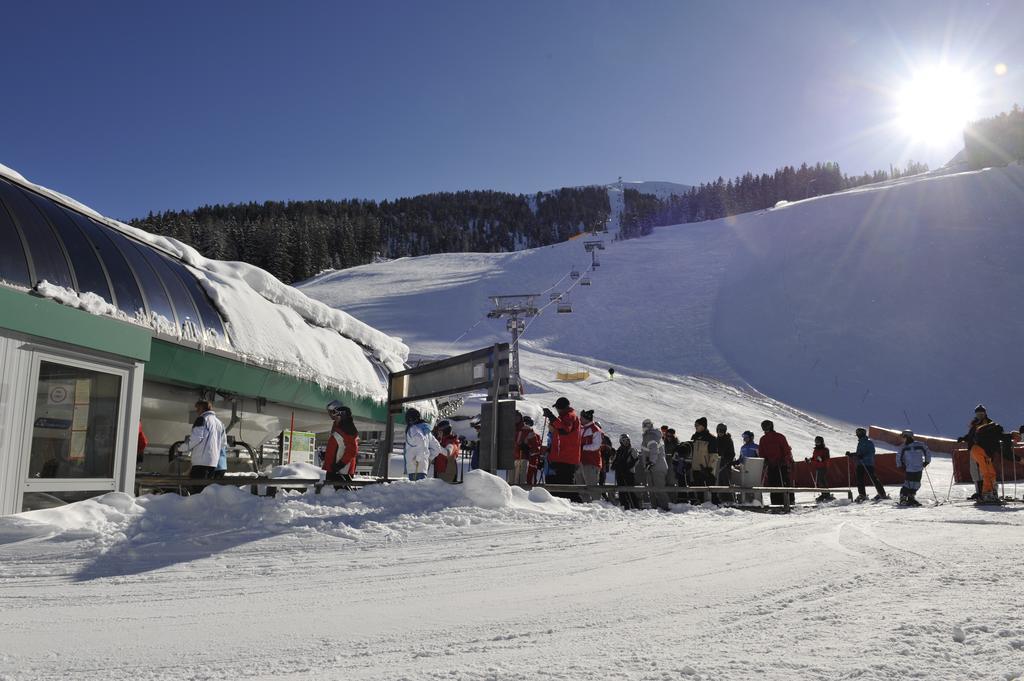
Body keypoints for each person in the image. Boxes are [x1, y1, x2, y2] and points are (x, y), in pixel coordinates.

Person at [179, 400, 227, 483]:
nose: (197, 411)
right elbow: (223, 444)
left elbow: (196, 438)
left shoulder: (201, 419)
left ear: (202, 408)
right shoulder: (220, 423)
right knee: (206, 490)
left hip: (200, 462)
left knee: (197, 489)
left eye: (197, 408)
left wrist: (181, 448)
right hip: (213, 463)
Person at [541, 397, 581, 488]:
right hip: (562, 458)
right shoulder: (565, 417)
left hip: (566, 458)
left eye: (557, 408)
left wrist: (551, 416)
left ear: (561, 407)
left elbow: (565, 429)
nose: (557, 410)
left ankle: (578, 502)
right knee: (558, 487)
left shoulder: (570, 416)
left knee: (565, 488)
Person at [845, 427, 888, 502]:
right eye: (857, 433)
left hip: (868, 463)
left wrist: (863, 456)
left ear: (862, 433)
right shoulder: (860, 442)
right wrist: (851, 455)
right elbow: (859, 454)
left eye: (859, 433)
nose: (857, 434)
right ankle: (862, 494)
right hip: (860, 464)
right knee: (859, 480)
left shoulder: (869, 442)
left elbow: (871, 453)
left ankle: (882, 493)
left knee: (873, 478)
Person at [758, 420, 794, 506]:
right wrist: (765, 460)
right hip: (771, 465)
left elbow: (786, 450)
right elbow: (761, 452)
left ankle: (789, 502)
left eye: (766, 427)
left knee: (784, 482)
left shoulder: (779, 437)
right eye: (764, 427)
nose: (765, 429)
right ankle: (775, 502)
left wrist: (784, 460)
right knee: (773, 483)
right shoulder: (763, 439)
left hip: (781, 464)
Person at [323, 400, 359, 483]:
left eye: (332, 412)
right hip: (334, 469)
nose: (331, 416)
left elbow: (352, 450)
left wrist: (340, 465)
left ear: (338, 412)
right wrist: (326, 455)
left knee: (340, 494)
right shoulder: (337, 425)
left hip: (342, 471)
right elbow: (338, 445)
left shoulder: (348, 428)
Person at [972, 413, 1004, 504]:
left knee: (991, 472)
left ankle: (992, 492)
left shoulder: (990, 432)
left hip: (979, 451)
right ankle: (987, 494)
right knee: (987, 473)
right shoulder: (993, 435)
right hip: (980, 451)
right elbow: (991, 446)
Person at [958, 406, 989, 500]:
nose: (979, 415)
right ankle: (978, 491)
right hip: (973, 449)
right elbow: (971, 435)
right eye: (978, 413)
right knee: (975, 472)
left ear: (985, 413)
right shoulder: (975, 423)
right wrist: (964, 438)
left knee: (982, 471)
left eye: (981, 413)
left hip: (982, 450)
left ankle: (984, 491)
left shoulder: (988, 423)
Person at [404, 408, 443, 481]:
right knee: (420, 490)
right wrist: (427, 457)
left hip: (414, 467)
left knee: (415, 491)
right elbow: (437, 448)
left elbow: (421, 443)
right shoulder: (426, 430)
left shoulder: (413, 429)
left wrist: (418, 458)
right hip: (422, 467)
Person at [895, 430, 931, 507]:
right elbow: (898, 457)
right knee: (908, 484)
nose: (903, 439)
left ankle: (911, 498)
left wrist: (927, 461)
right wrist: (900, 465)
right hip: (909, 468)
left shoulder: (919, 444)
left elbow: (927, 451)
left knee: (916, 484)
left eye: (903, 437)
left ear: (908, 437)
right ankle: (903, 498)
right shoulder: (903, 447)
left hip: (919, 468)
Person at [641, 419, 671, 510]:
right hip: (656, 467)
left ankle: (664, 508)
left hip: (656, 467)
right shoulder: (654, 435)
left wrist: (651, 462)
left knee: (658, 489)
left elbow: (654, 449)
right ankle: (656, 508)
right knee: (654, 489)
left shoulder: (650, 435)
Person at [577, 410, 604, 501]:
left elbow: (596, 446)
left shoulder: (596, 430)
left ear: (586, 419)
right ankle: (584, 504)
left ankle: (596, 505)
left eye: (582, 418)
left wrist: (582, 447)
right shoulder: (581, 429)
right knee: (580, 486)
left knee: (592, 486)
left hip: (591, 462)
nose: (580, 419)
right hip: (581, 461)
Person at [690, 417, 718, 502]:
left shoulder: (711, 438)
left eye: (697, 425)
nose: (695, 427)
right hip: (696, 466)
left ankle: (714, 502)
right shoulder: (695, 437)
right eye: (695, 425)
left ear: (703, 426)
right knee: (698, 487)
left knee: (711, 486)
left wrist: (709, 468)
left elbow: (714, 455)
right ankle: (699, 501)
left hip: (705, 467)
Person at [612, 433, 640, 510]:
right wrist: (614, 465)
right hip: (620, 473)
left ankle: (635, 507)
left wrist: (628, 467)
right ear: (621, 441)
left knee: (630, 490)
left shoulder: (632, 450)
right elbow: (615, 460)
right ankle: (624, 506)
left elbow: (636, 460)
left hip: (629, 473)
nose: (626, 442)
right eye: (624, 440)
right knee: (621, 491)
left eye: (627, 440)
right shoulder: (619, 451)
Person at [514, 414, 541, 486]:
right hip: (513, 458)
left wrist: (528, 448)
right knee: (512, 480)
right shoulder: (511, 429)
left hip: (524, 457)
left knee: (521, 480)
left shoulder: (529, 431)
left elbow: (535, 447)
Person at [714, 423, 736, 503]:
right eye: (719, 431)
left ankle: (730, 500)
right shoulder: (716, 440)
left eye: (722, 431)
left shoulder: (728, 440)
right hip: (717, 463)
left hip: (725, 465)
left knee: (725, 481)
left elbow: (732, 453)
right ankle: (720, 499)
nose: (720, 433)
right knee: (718, 481)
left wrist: (726, 461)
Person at [807, 436, 833, 502]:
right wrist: (809, 460)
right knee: (819, 481)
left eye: (818, 441)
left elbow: (827, 458)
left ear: (821, 442)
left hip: (824, 467)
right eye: (816, 441)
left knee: (822, 480)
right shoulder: (815, 450)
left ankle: (826, 494)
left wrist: (821, 460)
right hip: (818, 466)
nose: (817, 443)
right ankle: (823, 494)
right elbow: (814, 458)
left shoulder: (825, 449)